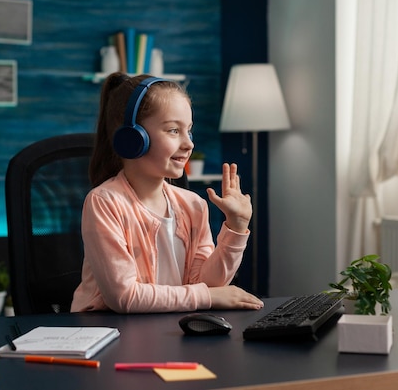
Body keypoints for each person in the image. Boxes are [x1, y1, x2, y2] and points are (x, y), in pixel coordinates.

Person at [70, 72, 263, 313]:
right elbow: (125, 297)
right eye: (173, 130)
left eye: (189, 131)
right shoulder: (105, 202)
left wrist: (236, 226)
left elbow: (207, 285)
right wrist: (208, 296)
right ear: (133, 137)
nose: (189, 143)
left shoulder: (194, 205)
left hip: (167, 329)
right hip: (110, 334)